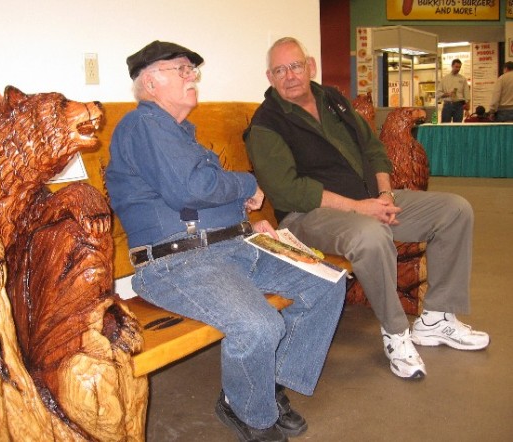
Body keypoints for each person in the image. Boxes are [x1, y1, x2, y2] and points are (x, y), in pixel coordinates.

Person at [105, 40, 346, 442]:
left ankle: (263, 388)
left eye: (191, 70)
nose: (191, 77)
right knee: (258, 325)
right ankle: (247, 409)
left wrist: (248, 226)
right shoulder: (143, 125)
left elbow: (201, 198)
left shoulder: (183, 137)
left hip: (235, 247)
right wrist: (246, 183)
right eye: (180, 70)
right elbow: (189, 189)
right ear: (150, 84)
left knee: (327, 281)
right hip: (178, 263)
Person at [244, 37, 490, 381]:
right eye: (280, 70)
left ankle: (436, 319)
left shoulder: (332, 100)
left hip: (370, 201)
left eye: (296, 66)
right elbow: (288, 192)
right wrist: (361, 208)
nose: (290, 76)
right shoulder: (266, 123)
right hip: (309, 217)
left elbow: (374, 149)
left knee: (454, 209)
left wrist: (386, 196)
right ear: (269, 77)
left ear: (310, 66)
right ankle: (395, 333)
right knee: (370, 234)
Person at [437, 58, 470, 123]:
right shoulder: (445, 79)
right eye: (456, 67)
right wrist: (447, 94)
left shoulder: (463, 79)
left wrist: (467, 109)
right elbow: (438, 93)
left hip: (459, 105)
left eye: (459, 67)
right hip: (447, 105)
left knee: (457, 127)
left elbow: (467, 94)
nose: (458, 69)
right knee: (445, 126)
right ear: (452, 66)